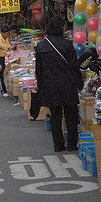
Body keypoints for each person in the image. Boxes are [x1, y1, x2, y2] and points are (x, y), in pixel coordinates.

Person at [35, 16, 81, 152]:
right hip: (67, 84)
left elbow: (39, 70)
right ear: (60, 28)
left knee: (55, 116)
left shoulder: (41, 46)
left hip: (50, 86)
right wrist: (79, 83)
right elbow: (74, 67)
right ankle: (72, 144)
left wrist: (41, 86)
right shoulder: (67, 45)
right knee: (71, 115)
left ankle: (58, 145)